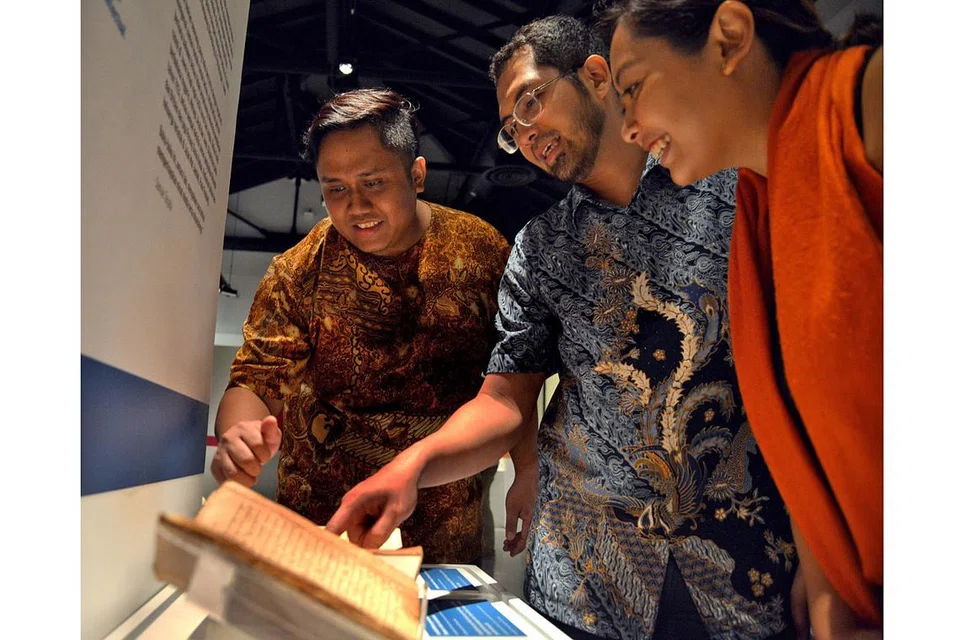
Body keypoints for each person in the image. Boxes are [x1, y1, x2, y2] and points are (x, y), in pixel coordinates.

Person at [329, 17, 803, 640]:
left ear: (597, 74)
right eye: (509, 129)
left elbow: (811, 368)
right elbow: (503, 401)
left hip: (743, 559)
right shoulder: (541, 247)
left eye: (531, 100)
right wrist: (411, 467)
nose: (525, 135)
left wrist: (830, 547)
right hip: (585, 571)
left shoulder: (734, 188)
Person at [597, 1, 883, 637]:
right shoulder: (760, 200)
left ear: (729, 38)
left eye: (633, 88)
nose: (629, 128)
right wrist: (826, 569)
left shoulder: (866, 103)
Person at [209, 88, 512, 564]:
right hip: (322, 523)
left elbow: (514, 380)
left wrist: (529, 470)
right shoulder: (299, 270)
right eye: (336, 189)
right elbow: (255, 381)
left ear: (416, 175)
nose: (355, 207)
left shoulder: (481, 252)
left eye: (373, 183)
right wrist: (239, 435)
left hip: (447, 524)